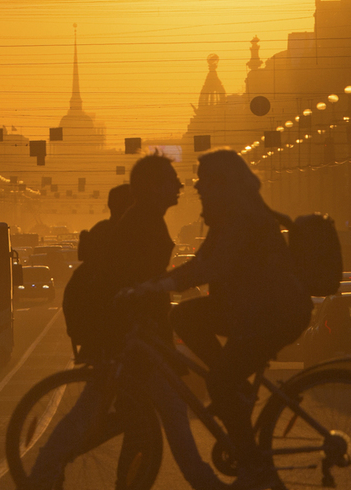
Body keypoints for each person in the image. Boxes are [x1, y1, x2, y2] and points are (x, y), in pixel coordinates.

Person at [35, 154, 224, 490]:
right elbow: (135, 283)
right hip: (132, 338)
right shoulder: (144, 223)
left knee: (134, 415)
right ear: (153, 187)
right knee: (134, 413)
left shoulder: (146, 220)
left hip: (138, 337)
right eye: (171, 180)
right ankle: (47, 467)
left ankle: (49, 468)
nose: (180, 186)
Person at [137, 149, 312, 490]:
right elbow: (200, 262)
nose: (198, 187)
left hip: (275, 315)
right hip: (247, 310)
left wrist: (164, 284)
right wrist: (158, 285)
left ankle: (253, 467)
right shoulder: (226, 215)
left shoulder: (243, 218)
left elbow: (214, 266)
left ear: (222, 183)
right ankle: (236, 389)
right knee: (183, 315)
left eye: (204, 181)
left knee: (220, 382)